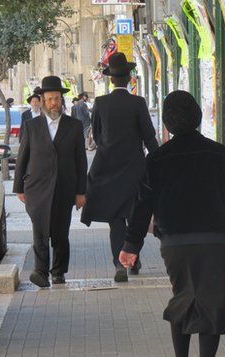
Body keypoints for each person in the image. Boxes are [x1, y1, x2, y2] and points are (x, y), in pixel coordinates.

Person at [119, 90, 225, 357]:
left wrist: (131, 244)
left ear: (167, 125)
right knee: (214, 302)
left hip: (175, 243)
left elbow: (142, 205)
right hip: (216, 242)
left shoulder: (156, 160)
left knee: (183, 297)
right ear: (198, 116)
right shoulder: (222, 155)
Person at [80, 52, 158, 282]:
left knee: (116, 219)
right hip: (134, 169)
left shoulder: (101, 104)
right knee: (136, 215)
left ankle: (119, 264)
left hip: (107, 169)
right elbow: (149, 137)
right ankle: (134, 258)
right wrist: (158, 160)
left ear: (111, 80)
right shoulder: (138, 103)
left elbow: (96, 134)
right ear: (129, 78)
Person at [13, 76, 88, 288]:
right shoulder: (31, 126)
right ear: (43, 101)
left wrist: (81, 191)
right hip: (36, 188)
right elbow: (22, 157)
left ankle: (58, 272)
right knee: (39, 231)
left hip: (64, 188)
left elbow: (81, 162)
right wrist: (18, 187)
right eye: (49, 99)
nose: (53, 103)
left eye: (57, 99)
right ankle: (40, 271)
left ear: (61, 100)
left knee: (60, 234)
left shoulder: (73, 126)